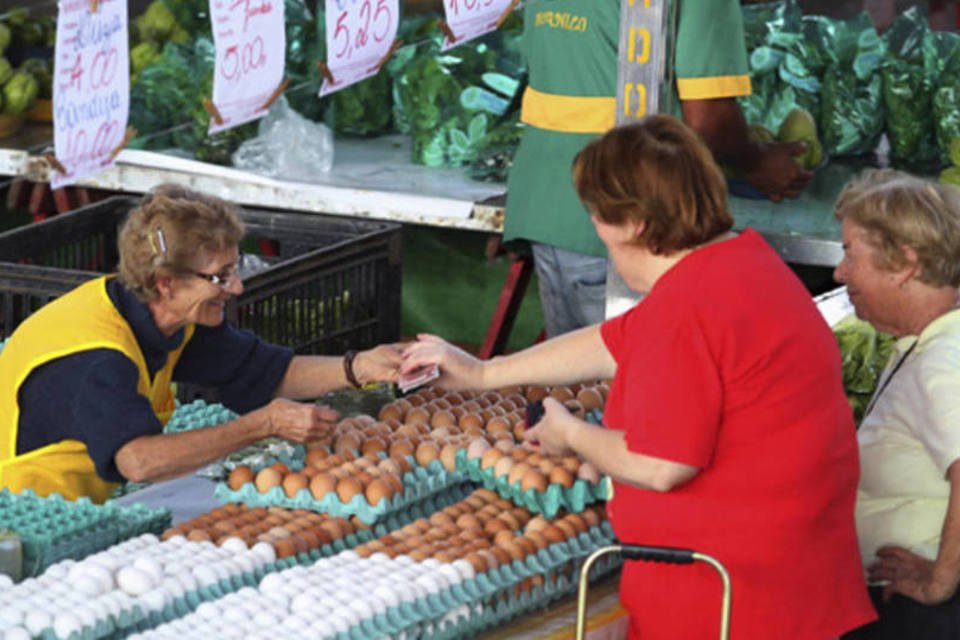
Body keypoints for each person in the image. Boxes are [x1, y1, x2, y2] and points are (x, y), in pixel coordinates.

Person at [404, 115, 874, 638]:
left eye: (597, 215)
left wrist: (572, 435)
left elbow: (660, 466)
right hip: (796, 580)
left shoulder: (687, 310)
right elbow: (616, 340)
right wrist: (484, 373)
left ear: (633, 224)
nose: (595, 229)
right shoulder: (741, 264)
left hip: (730, 599)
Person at [0, 185, 403, 503]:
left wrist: (360, 367)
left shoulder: (170, 317)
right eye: (220, 276)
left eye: (235, 268)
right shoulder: (97, 355)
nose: (237, 286)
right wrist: (264, 424)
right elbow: (138, 461)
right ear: (166, 282)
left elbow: (264, 372)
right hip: (25, 509)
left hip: (87, 500)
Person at [504, 0, 813, 337]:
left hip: (548, 203)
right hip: (632, 219)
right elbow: (708, 121)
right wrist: (757, 161)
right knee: (638, 377)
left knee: (579, 382)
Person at [832, 172, 960, 639]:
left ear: (904, 263)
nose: (839, 273)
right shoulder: (922, 344)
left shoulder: (943, 360)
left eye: (850, 253)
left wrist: (939, 581)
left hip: (923, 619)